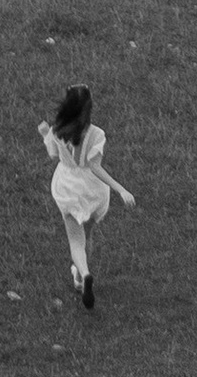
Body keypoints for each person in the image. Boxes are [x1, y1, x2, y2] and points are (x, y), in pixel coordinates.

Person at [38, 83, 133, 309]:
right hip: (92, 189)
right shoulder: (97, 134)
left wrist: (44, 135)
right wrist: (121, 189)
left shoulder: (56, 130)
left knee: (75, 239)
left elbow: (53, 155)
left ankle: (83, 274)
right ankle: (81, 277)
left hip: (68, 187)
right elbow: (95, 167)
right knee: (87, 234)